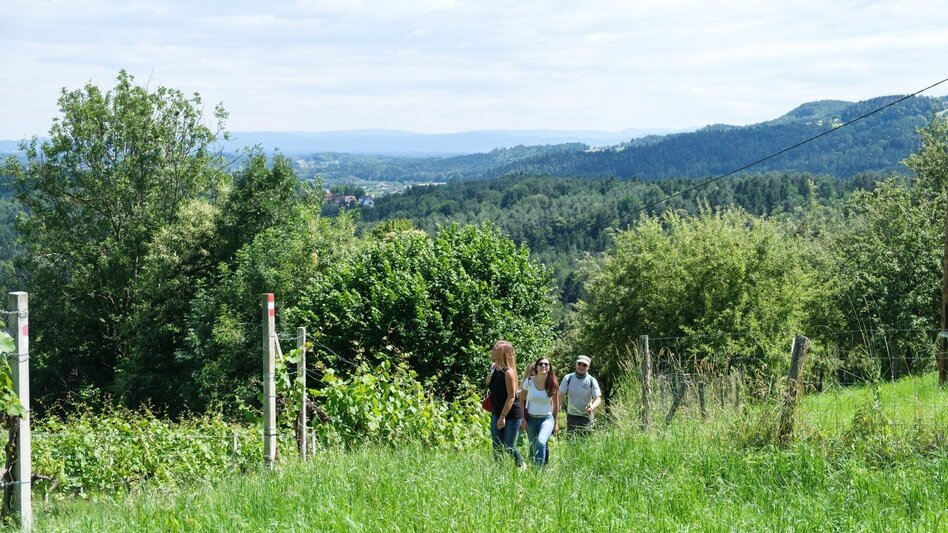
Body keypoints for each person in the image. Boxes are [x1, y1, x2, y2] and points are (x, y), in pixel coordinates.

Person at [487, 340, 524, 467]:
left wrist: (502, 417)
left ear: (502, 353)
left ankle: (521, 465)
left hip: (511, 414)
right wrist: (488, 380)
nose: (492, 351)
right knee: (496, 444)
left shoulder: (508, 373)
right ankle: (499, 470)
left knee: (508, 446)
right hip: (497, 411)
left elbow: (511, 396)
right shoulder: (494, 368)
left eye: (495, 349)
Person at [519, 357, 559, 466]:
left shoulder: (553, 382)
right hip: (531, 419)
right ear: (536, 367)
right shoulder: (529, 382)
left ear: (549, 368)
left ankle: (539, 472)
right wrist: (522, 418)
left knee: (540, 442)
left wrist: (556, 423)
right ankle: (533, 470)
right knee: (532, 446)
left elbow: (556, 405)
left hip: (547, 419)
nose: (543, 366)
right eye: (540, 364)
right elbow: (521, 400)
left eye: (546, 364)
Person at [559, 355, 602, 434]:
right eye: (579, 364)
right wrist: (558, 406)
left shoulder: (592, 380)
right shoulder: (568, 378)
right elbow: (560, 394)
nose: (581, 366)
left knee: (587, 443)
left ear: (588, 367)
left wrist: (592, 407)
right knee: (571, 442)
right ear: (576, 364)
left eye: (584, 365)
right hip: (571, 416)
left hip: (586, 416)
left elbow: (598, 398)